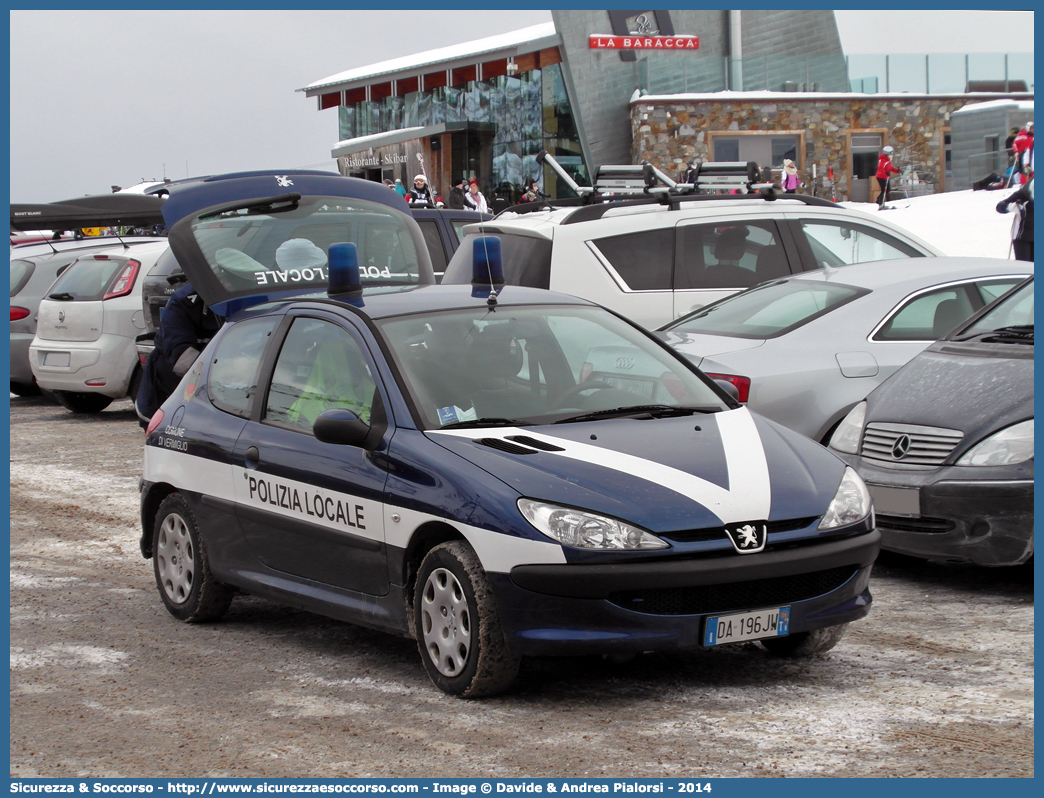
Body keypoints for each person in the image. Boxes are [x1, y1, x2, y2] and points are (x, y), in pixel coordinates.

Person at [135, 281, 223, 429]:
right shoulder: (184, 300)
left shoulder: (244, 292)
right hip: (169, 391)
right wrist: (220, 376)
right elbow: (181, 357)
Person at [997, 178, 1033, 262]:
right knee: (1025, 267)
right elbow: (1000, 206)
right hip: (1022, 237)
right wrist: (1012, 207)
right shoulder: (1023, 193)